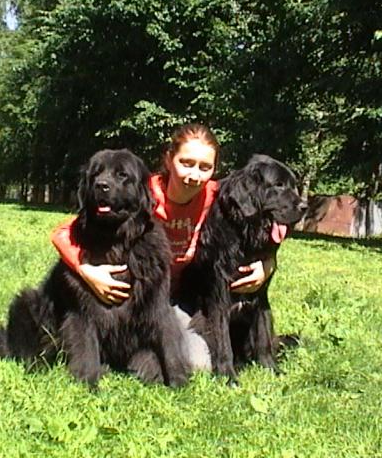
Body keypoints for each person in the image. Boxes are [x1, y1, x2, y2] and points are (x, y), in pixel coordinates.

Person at [50, 123, 276, 369]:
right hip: (149, 297)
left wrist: (268, 264)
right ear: (169, 159)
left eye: (205, 167)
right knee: (190, 361)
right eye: (186, 163)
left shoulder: (217, 196)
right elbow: (63, 233)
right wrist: (87, 270)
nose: (194, 175)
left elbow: (260, 228)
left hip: (188, 298)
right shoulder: (145, 192)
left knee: (198, 362)